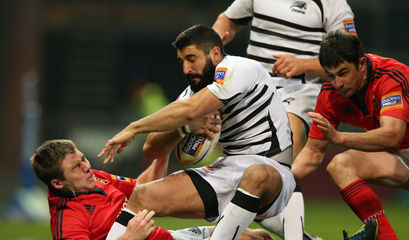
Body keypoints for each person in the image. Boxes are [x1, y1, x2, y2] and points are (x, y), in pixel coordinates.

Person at [98, 24, 295, 240]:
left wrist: (132, 128)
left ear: (215, 53)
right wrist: (184, 128)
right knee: (142, 196)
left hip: (274, 172)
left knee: (256, 174)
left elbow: (191, 110)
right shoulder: (193, 92)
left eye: (192, 59)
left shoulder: (239, 68)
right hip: (228, 170)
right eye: (182, 61)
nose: (186, 69)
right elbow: (151, 149)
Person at [212, 1, 357, 239]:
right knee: (248, 187)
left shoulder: (332, 4)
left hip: (299, 92)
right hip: (252, 91)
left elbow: (351, 58)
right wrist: (214, 43)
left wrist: (304, 65)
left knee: (279, 165)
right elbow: (227, 20)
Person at [292, 30, 409, 240]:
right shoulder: (330, 95)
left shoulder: (391, 76)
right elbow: (312, 153)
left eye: (343, 73)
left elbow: (392, 135)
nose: (338, 83)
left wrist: (340, 138)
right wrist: (279, 181)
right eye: (331, 75)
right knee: (340, 165)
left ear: (361, 64)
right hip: (402, 159)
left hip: (404, 145)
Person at [30, 139, 274, 240]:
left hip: (167, 237)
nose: (86, 167)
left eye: (83, 159)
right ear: (58, 184)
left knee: (251, 238)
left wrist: (162, 151)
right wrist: (129, 237)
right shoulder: (68, 219)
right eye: (76, 167)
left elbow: (142, 190)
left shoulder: (96, 178)